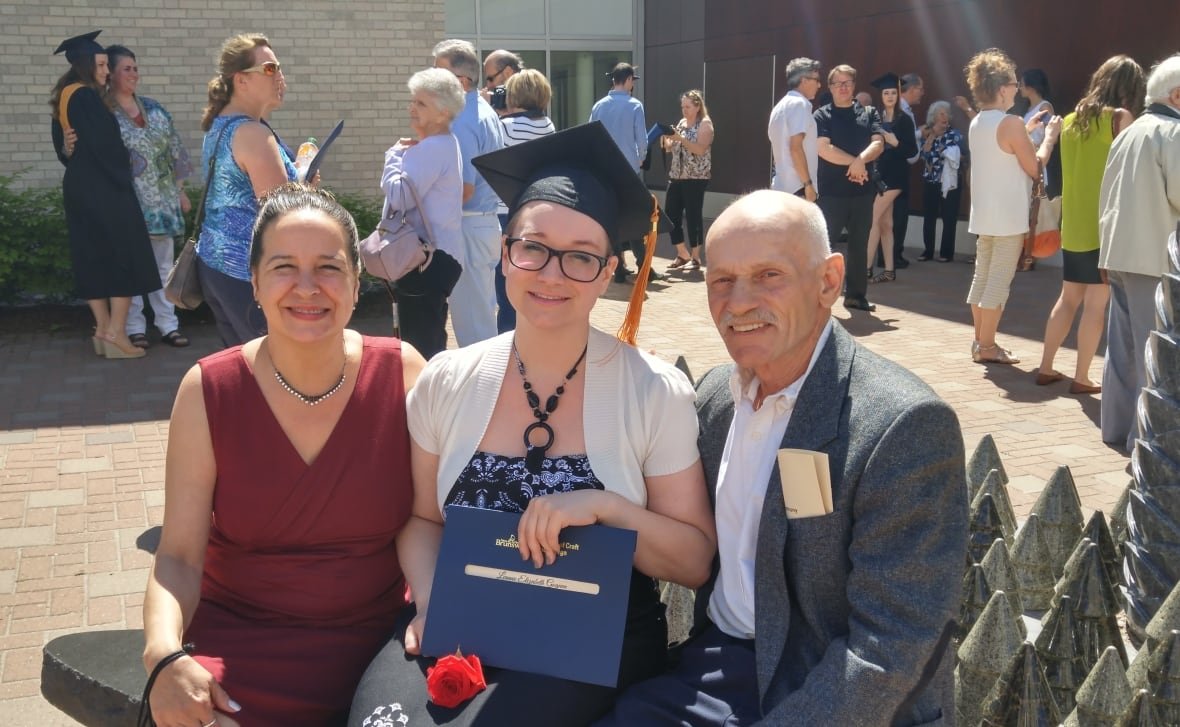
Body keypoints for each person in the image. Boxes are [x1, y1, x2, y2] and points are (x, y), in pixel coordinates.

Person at [350, 122, 717, 727]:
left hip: (592, 635)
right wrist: (434, 607)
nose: (552, 274)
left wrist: (606, 507)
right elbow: (420, 518)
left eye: (580, 258)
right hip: (463, 611)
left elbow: (694, 561)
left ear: (605, 274)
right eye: (534, 247)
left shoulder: (651, 390)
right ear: (504, 251)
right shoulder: (447, 379)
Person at [598, 190, 968, 725]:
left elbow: (890, 649)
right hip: (719, 664)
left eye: (769, 275)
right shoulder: (716, 401)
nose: (739, 301)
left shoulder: (902, 426)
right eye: (721, 280)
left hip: (835, 690)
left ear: (829, 281)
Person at [141, 184, 427, 726]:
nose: (306, 287)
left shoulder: (405, 374)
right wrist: (163, 653)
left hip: (379, 647)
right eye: (283, 267)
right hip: (241, 647)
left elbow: (424, 520)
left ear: (355, 280)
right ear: (253, 281)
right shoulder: (209, 391)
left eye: (328, 267)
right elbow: (178, 555)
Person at [1036, 55, 1145, 395]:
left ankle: (1046, 366)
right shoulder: (1121, 118)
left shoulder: (1070, 119)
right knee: (1096, 305)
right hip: (1105, 226)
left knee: (1067, 299)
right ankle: (1082, 376)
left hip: (1075, 225)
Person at [49, 30, 159, 360]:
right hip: (104, 187)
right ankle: (116, 333)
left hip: (80, 186)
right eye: (100, 64)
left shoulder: (65, 96)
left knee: (93, 256)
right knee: (125, 254)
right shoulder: (85, 96)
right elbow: (106, 148)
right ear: (85, 65)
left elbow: (64, 146)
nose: (106, 71)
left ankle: (101, 330)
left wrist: (69, 153)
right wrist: (125, 181)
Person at [1098, 53, 1180, 452]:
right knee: (1154, 350)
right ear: (1177, 95)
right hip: (1156, 256)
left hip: (1120, 252)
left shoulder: (1130, 130)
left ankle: (1116, 428)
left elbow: (1107, 194)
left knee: (1123, 348)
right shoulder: (1173, 132)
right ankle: (1145, 440)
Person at [196, 33, 298, 348]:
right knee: (277, 367)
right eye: (269, 69)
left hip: (216, 267)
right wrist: (306, 190)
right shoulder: (252, 133)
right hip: (247, 274)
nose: (279, 76)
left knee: (242, 369)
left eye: (279, 68)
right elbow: (282, 212)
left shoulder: (221, 125)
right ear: (241, 81)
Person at [963, 48, 1062, 364]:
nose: (1016, 89)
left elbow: (1003, 148)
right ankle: (988, 346)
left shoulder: (979, 121)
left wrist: (1026, 128)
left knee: (982, 278)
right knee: (998, 283)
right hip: (1008, 216)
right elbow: (1035, 167)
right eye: (1012, 84)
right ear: (1002, 87)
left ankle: (981, 342)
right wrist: (1048, 137)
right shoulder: (1011, 123)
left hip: (984, 214)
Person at [103, 44, 194, 349]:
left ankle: (168, 324)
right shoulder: (104, 114)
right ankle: (133, 326)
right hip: (126, 204)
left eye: (135, 68)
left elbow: (174, 152)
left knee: (164, 267)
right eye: (126, 68)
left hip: (162, 203)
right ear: (111, 74)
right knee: (129, 267)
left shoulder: (155, 110)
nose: (133, 74)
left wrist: (180, 192)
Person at [380, 68, 466, 359]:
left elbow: (399, 196)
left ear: (442, 113)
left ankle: (423, 400)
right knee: (429, 337)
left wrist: (392, 156)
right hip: (438, 256)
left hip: (425, 260)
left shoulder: (431, 148)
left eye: (421, 104)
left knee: (420, 347)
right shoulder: (446, 143)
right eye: (413, 101)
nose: (411, 109)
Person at [433, 39, 506, 346]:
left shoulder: (462, 120)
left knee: (474, 329)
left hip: (467, 225)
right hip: (482, 224)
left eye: (437, 73)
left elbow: (462, 189)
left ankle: (483, 390)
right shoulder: (482, 110)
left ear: (460, 81)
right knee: (481, 317)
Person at [814, 64, 885, 312]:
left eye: (848, 82)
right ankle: (817, 296)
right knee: (824, 246)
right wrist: (855, 163)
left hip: (862, 193)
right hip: (832, 194)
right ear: (831, 87)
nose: (843, 87)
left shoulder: (869, 113)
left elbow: (879, 143)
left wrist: (860, 161)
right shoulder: (822, 115)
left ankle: (856, 296)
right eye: (838, 83)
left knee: (859, 245)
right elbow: (823, 149)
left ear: (854, 86)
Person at [494, 68, 557, 332]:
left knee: (506, 283)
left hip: (504, 211)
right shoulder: (548, 126)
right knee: (531, 276)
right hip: (536, 210)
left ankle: (507, 341)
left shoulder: (504, 127)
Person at [590, 62, 659, 284]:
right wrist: (638, 160)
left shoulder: (599, 105)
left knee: (613, 217)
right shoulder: (635, 105)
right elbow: (642, 140)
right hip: (628, 170)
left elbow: (591, 134)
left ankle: (618, 267)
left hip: (604, 170)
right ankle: (643, 265)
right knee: (635, 216)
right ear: (629, 80)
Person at [865, 72, 918, 282]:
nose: (889, 96)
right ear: (881, 95)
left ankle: (865, 270)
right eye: (886, 93)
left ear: (898, 95)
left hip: (896, 177)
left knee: (871, 219)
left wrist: (895, 142)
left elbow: (912, 151)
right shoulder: (875, 117)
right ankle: (889, 271)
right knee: (885, 224)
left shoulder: (904, 120)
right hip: (879, 175)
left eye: (893, 93)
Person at [661, 89, 714, 272]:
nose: (684, 110)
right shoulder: (682, 123)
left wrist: (680, 138)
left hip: (695, 177)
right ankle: (682, 253)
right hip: (676, 176)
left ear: (698, 106)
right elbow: (672, 149)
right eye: (682, 106)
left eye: (688, 106)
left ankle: (696, 257)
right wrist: (667, 141)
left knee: (693, 216)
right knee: (670, 214)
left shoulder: (705, 124)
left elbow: (699, 149)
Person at [917, 100, 965, 263]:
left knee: (949, 217)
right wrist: (932, 137)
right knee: (929, 217)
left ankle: (946, 253)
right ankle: (928, 251)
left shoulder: (955, 134)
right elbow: (924, 155)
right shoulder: (927, 134)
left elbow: (956, 154)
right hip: (931, 180)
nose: (945, 117)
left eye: (946, 113)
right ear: (934, 117)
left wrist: (937, 146)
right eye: (941, 114)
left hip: (949, 182)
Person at [768, 57, 822, 201]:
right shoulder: (800, 104)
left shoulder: (780, 106)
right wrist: (808, 185)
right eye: (816, 80)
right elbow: (795, 148)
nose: (819, 85)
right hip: (798, 188)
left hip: (781, 185)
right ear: (804, 80)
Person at [889, 72, 925, 269]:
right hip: (898, 167)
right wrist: (920, 134)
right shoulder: (902, 111)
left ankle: (892, 253)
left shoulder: (899, 109)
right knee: (898, 215)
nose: (922, 93)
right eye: (920, 88)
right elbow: (905, 143)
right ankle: (893, 254)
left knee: (894, 215)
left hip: (895, 166)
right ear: (910, 89)